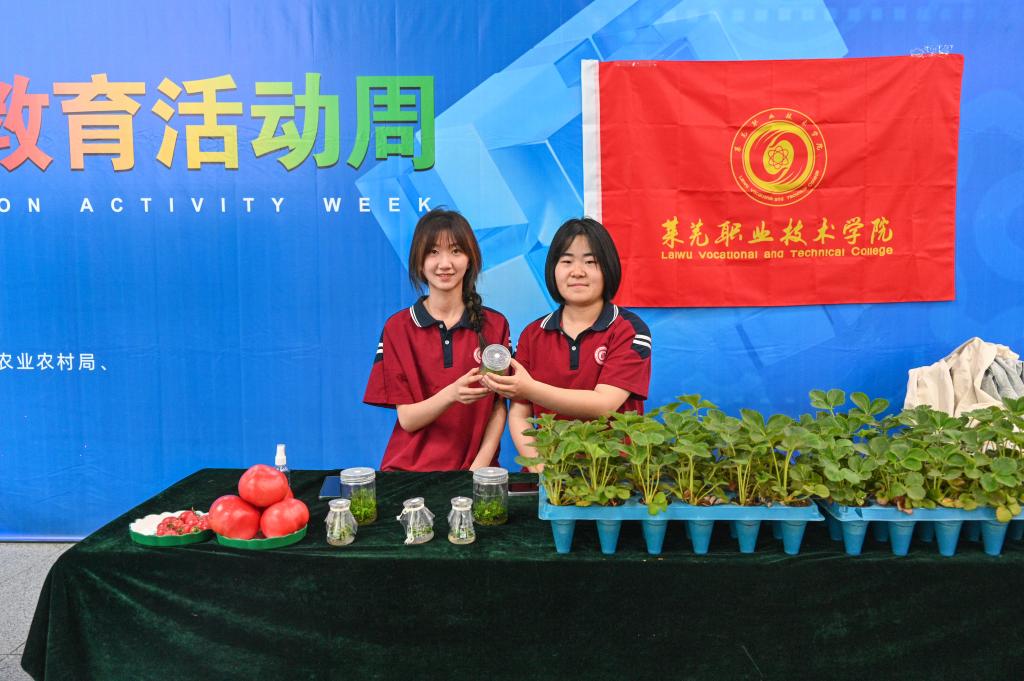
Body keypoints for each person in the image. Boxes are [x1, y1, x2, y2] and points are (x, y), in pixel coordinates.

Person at [481, 217, 651, 468]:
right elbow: (519, 414)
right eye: (567, 261)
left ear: (608, 268)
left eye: (591, 262)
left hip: (612, 475)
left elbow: (604, 404)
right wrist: (541, 468)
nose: (577, 272)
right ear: (553, 269)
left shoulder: (629, 329)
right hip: (546, 473)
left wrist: (529, 389)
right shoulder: (533, 334)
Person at [364, 209, 510, 471]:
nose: (445, 264)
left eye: (455, 251)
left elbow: (499, 406)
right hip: (408, 473)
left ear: (470, 259)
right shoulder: (398, 328)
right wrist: (451, 394)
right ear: (419, 262)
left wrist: (478, 468)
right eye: (433, 252)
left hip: (477, 471)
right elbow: (407, 419)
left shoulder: (495, 325)